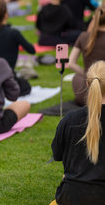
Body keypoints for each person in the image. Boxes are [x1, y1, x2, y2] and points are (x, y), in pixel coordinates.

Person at [51, 61, 105, 204]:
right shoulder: (70, 119)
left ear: (87, 84)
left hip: (71, 197)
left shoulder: (69, 119)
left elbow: (58, 155)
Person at [0, 0, 35, 96]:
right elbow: (31, 50)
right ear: (6, 14)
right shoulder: (13, 33)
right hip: (7, 75)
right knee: (25, 87)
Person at [67, 6, 105, 106]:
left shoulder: (83, 36)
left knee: (77, 77)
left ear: (94, 19)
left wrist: (87, 73)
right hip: (102, 93)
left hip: (84, 94)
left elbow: (70, 63)